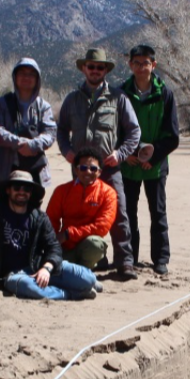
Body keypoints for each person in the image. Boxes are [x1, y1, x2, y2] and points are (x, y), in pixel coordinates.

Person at [56, 48, 141, 278]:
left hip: (109, 168)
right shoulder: (72, 99)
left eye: (99, 67)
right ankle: (95, 260)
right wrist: (66, 151)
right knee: (83, 215)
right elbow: (62, 130)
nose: (95, 71)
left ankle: (125, 262)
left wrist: (121, 153)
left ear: (106, 70)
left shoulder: (118, 98)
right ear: (84, 68)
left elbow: (134, 131)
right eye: (91, 66)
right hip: (81, 170)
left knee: (120, 214)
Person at [0, 170, 102, 300]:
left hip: (38, 266)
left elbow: (53, 246)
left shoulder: (39, 217)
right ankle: (72, 293)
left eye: (26, 188)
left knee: (87, 278)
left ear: (31, 193)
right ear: (8, 190)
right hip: (13, 275)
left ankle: (88, 283)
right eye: (17, 187)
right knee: (28, 287)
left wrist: (46, 268)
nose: (21, 191)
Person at [118, 44, 181, 275]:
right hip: (130, 165)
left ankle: (161, 259)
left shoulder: (164, 94)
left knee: (158, 212)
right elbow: (115, 131)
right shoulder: (121, 92)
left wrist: (153, 158)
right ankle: (130, 258)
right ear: (130, 64)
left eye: (145, 63)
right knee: (128, 213)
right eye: (136, 62)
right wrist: (128, 154)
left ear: (153, 65)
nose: (141, 67)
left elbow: (173, 136)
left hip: (155, 166)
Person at [45, 146, 117, 270]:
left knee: (95, 244)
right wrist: (52, 244)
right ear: (76, 170)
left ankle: (84, 272)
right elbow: (51, 220)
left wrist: (69, 233)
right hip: (64, 247)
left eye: (93, 168)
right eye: (83, 168)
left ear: (100, 172)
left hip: (87, 247)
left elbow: (102, 227)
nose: (88, 172)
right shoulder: (62, 191)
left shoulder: (108, 193)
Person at [0, 57, 57, 188]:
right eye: (22, 73)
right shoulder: (2, 103)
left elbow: (50, 134)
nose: (27, 77)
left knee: (32, 207)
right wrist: (19, 143)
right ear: (15, 77)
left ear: (37, 79)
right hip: (5, 169)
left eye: (31, 74)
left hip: (35, 170)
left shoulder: (43, 106)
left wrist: (32, 144)